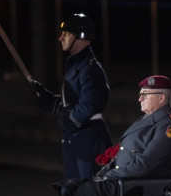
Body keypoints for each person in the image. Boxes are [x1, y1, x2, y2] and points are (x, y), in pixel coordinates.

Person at [30, 13, 112, 180]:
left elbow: (90, 104)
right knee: (74, 192)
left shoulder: (90, 69)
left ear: (81, 36)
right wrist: (47, 99)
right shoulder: (78, 65)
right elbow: (72, 103)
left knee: (87, 193)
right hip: (77, 138)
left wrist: (68, 121)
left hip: (87, 139)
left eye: (66, 34)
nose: (61, 38)